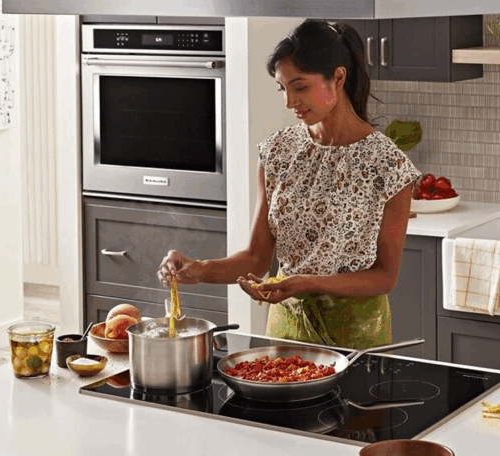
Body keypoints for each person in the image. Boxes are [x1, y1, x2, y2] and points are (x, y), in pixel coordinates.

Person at [157, 19, 421, 350]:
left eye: (300, 87)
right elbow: (257, 259)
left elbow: (385, 276)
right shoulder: (277, 153)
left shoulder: (388, 165)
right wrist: (201, 269)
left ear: (337, 78)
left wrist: (305, 282)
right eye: (283, 89)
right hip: (286, 330)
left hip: (355, 336)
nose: (289, 102)